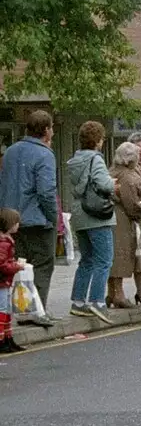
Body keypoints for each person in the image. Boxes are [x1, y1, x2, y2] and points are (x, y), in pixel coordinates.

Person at [0, 111, 58, 316]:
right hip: (37, 220)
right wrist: (54, 217)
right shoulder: (45, 154)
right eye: (51, 127)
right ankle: (37, 311)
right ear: (46, 130)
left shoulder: (11, 151)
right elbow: (46, 192)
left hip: (11, 220)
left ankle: (19, 309)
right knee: (42, 266)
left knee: (19, 266)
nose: (52, 131)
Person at [65, 121, 117, 324]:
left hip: (79, 213)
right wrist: (112, 184)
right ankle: (97, 302)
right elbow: (103, 183)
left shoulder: (74, 160)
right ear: (97, 140)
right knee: (104, 260)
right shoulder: (96, 159)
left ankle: (78, 302)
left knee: (86, 259)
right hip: (96, 214)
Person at [108, 141, 141, 309]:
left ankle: (112, 292)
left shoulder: (113, 171)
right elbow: (131, 201)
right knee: (121, 255)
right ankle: (119, 294)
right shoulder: (127, 175)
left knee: (113, 255)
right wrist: (140, 213)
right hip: (123, 219)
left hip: (113, 216)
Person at [0, 207, 24, 351]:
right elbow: (2, 265)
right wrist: (16, 266)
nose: (18, 225)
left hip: (6, 281)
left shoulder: (7, 241)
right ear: (9, 224)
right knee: (2, 310)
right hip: (2, 282)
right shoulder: (3, 243)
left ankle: (8, 338)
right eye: (16, 222)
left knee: (7, 309)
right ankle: (2, 339)